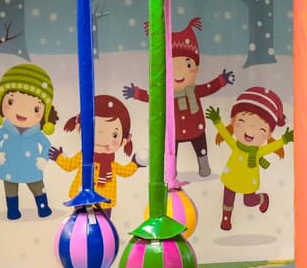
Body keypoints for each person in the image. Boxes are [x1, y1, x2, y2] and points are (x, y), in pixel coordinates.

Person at [124, 17, 234, 177]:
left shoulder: (194, 91)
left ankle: (204, 166)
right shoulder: (165, 94)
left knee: (201, 148)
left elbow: (209, 87)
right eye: (171, 67)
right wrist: (137, 93)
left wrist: (221, 80)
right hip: (173, 131)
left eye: (188, 65)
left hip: (196, 128)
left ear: (196, 68)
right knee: (171, 152)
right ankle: (171, 170)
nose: (178, 73)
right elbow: (152, 97)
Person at [206, 87, 293, 231]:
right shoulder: (236, 145)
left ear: (268, 134)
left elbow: (272, 147)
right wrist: (217, 121)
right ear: (233, 121)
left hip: (248, 181)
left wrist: (284, 140)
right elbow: (226, 135)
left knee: (249, 201)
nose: (250, 130)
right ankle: (226, 219)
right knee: (228, 199)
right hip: (231, 177)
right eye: (242, 121)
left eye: (261, 129)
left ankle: (262, 198)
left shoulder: (258, 152)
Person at [48, 95, 141, 219]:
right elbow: (69, 165)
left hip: (105, 201)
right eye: (94, 129)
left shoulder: (111, 164)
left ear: (124, 141)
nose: (102, 137)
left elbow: (124, 171)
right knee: (80, 223)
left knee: (104, 225)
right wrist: (58, 157)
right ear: (79, 128)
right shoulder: (84, 156)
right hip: (82, 198)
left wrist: (135, 164)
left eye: (114, 135)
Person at [0, 63, 57, 219]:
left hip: (31, 165)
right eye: (11, 102)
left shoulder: (36, 133)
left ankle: (43, 208)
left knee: (37, 186)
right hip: (9, 165)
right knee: (10, 188)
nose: (23, 111)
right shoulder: (5, 130)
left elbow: (46, 145)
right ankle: (12, 211)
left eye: (36, 109)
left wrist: (43, 158)